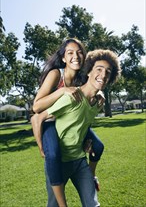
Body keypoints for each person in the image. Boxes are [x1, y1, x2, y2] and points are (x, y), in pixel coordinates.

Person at [31, 49, 121, 207]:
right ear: (88, 72)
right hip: (59, 163)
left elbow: (83, 123)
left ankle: (92, 176)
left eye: (108, 71)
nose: (103, 74)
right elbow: (38, 118)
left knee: (93, 204)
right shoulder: (71, 97)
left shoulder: (97, 103)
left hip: (80, 161)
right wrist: (42, 148)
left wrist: (87, 140)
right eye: (98, 69)